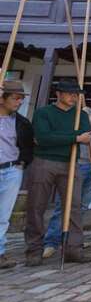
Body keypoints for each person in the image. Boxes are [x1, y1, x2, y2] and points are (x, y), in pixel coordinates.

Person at [42, 86, 91, 258]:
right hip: (77, 162)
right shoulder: (79, 114)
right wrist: (83, 116)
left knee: (82, 205)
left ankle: (72, 240)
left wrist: (90, 120)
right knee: (65, 203)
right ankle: (51, 241)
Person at [25, 79, 91, 266]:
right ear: (58, 94)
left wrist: (65, 138)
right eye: (69, 93)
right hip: (44, 162)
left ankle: (73, 249)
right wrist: (75, 138)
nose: (73, 97)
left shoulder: (81, 115)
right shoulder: (43, 113)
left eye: (76, 94)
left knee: (74, 207)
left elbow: (86, 137)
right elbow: (43, 138)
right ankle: (34, 251)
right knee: (36, 206)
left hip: (71, 162)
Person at [0, 82, 33, 269]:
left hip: (11, 170)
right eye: (15, 98)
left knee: (3, 215)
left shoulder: (22, 123)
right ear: (2, 98)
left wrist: (21, 164)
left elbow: (27, 146)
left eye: (21, 99)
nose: (19, 102)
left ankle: (0, 252)